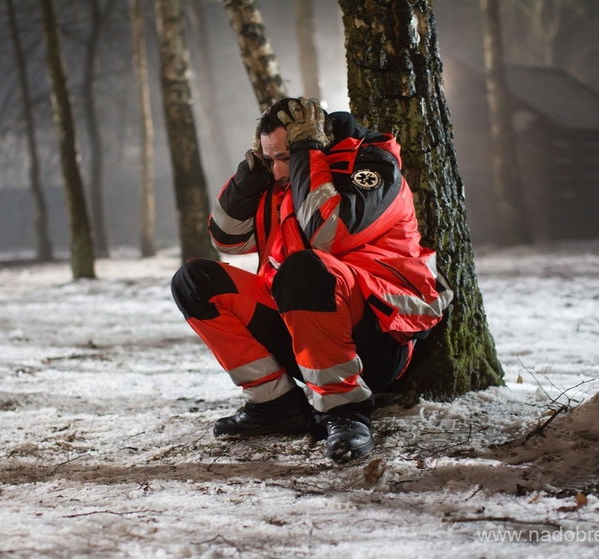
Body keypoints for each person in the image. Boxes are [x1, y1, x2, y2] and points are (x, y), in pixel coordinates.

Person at [171, 97, 452, 462]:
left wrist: (304, 153)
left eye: (284, 158)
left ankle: (345, 411)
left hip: (378, 339)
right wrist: (253, 169)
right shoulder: (283, 179)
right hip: (305, 332)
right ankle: (275, 405)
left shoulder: (374, 169)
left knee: (305, 268)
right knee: (194, 280)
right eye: (270, 158)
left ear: (317, 141)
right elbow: (227, 237)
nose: (277, 171)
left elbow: (327, 235)